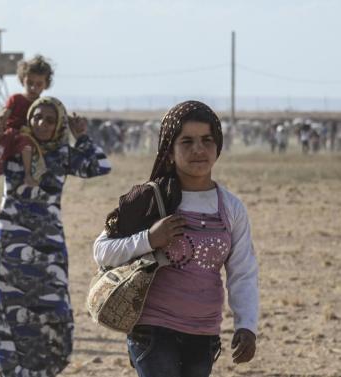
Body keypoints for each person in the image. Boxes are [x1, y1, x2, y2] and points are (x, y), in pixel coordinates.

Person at [93, 100, 259, 377]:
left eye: (207, 140)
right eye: (187, 141)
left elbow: (243, 272)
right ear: (169, 151)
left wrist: (247, 325)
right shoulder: (148, 199)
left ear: (218, 147)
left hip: (204, 334)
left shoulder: (231, 208)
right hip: (152, 330)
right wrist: (149, 238)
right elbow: (102, 251)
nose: (198, 149)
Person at [0, 97, 111, 376]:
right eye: (37, 117)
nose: (42, 124)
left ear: (60, 125)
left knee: (53, 307)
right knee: (13, 307)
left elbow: (101, 166)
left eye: (50, 119)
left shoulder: (64, 154)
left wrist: (82, 137)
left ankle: (48, 368)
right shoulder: (12, 147)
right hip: (10, 241)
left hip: (49, 242)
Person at [0, 55, 54, 188]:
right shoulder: (16, 99)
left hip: (28, 138)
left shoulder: (43, 105)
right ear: (22, 80)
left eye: (39, 84)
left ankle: (28, 176)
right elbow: (5, 113)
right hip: (10, 134)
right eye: (30, 83)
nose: (33, 88)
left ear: (46, 85)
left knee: (27, 144)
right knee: (0, 148)